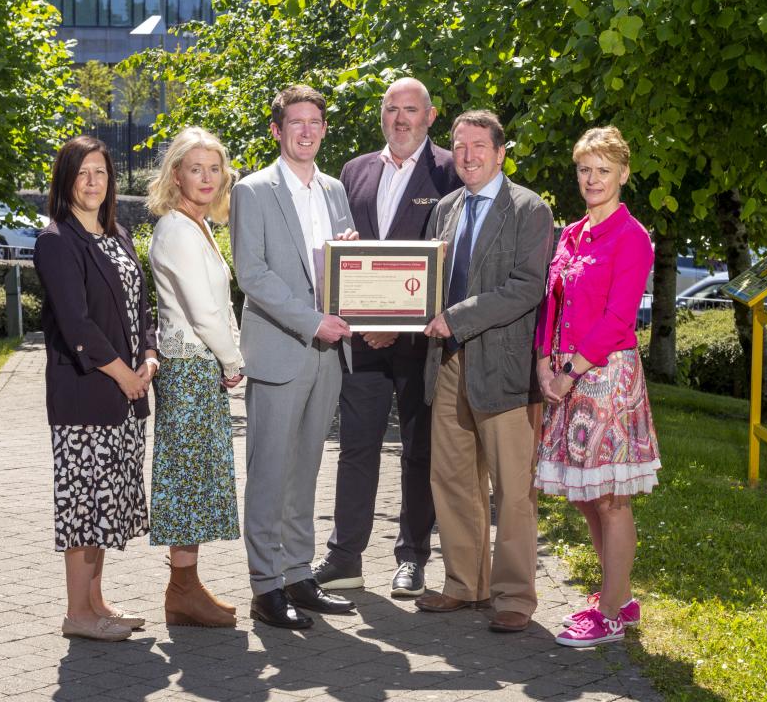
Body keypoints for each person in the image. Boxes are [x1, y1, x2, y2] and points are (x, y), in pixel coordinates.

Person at [312, 77, 461, 597]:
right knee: (356, 447)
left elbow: (451, 261)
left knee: (419, 451)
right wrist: (362, 317)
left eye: (411, 110)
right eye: (392, 109)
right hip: (361, 341)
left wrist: (393, 321)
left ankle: (412, 557)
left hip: (422, 342)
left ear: (431, 116)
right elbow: (344, 253)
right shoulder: (354, 172)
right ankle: (345, 555)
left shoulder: (449, 170)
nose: (400, 119)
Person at [417, 110, 554, 634]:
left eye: (479, 146)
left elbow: (526, 287)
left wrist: (456, 317)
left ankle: (514, 594)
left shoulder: (527, 208)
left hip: (504, 365)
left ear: (500, 153)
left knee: (512, 488)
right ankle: (463, 584)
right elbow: (428, 280)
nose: (468, 155)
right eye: (460, 146)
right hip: (447, 361)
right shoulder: (447, 208)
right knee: (452, 477)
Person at [229, 84, 359, 629]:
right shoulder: (253, 190)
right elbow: (252, 275)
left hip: (329, 354)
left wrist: (352, 256)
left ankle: (298, 574)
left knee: (307, 467)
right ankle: (265, 586)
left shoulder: (334, 190)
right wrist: (313, 321)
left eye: (314, 122)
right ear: (277, 130)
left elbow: (342, 268)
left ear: (324, 129)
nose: (306, 131)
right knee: (269, 471)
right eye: (295, 122)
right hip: (282, 348)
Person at [534, 126, 660, 647]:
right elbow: (552, 303)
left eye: (603, 170)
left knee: (610, 497)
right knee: (584, 496)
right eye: (585, 169)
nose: (592, 179)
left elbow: (617, 318)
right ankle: (619, 594)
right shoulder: (571, 233)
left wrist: (569, 371)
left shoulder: (633, 238)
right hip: (564, 375)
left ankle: (609, 613)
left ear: (623, 175)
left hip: (605, 376)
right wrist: (544, 360)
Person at [34, 136, 158, 642]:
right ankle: (76, 614)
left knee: (108, 504)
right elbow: (77, 324)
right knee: (85, 506)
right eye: (82, 173)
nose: (93, 182)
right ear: (65, 180)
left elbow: (140, 309)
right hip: (87, 394)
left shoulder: (117, 234)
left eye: (100, 172)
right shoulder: (57, 240)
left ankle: (97, 603)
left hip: (125, 395)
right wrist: (123, 373)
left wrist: (148, 355)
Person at [146, 127, 244, 628]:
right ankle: (182, 591)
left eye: (214, 168)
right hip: (188, 368)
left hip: (199, 366)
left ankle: (185, 587)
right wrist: (233, 360)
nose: (206, 178)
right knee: (186, 481)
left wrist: (228, 353)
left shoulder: (199, 225)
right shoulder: (176, 230)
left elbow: (220, 305)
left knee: (199, 480)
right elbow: (203, 313)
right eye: (195, 169)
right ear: (176, 175)